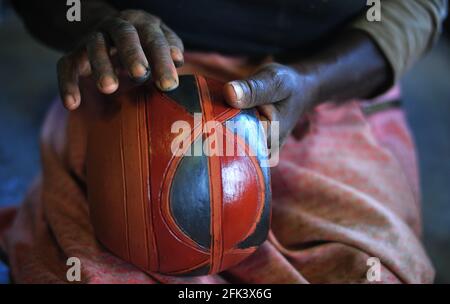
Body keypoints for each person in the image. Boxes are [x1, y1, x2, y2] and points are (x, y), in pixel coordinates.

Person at [0, 0, 447, 283]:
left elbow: (418, 6)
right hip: (138, 66)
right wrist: (92, 20)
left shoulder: (322, 75)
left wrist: (312, 83)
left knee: (368, 272)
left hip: (329, 73)